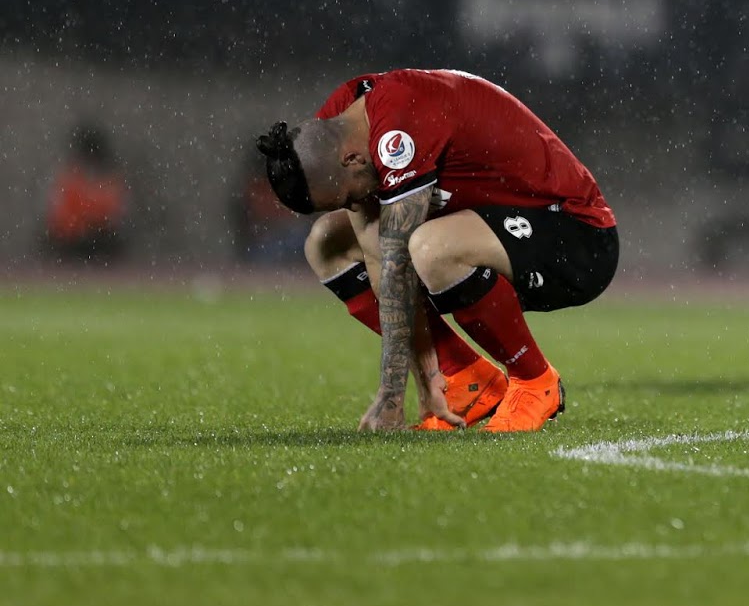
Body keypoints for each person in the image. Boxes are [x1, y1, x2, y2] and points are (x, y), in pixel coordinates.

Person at [258, 68, 619, 433]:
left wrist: (391, 392)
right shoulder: (342, 120)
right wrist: (428, 374)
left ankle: (534, 380)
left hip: (575, 236)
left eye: (349, 197)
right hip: (492, 228)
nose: (353, 206)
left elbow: (396, 264)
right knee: (325, 242)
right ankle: (465, 379)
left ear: (351, 159)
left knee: (430, 248)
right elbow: (377, 255)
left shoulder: (398, 127)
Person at [43, 120, 130, 261]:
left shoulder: (111, 181)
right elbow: (60, 221)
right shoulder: (68, 180)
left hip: (101, 243)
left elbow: (115, 217)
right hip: (71, 244)